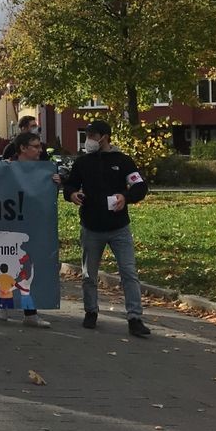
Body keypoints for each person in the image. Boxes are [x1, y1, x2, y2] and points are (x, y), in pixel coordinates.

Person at [62, 120, 151, 337]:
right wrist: (72, 194)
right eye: (87, 135)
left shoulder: (123, 161)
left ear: (104, 137)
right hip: (91, 227)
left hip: (119, 227)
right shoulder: (83, 162)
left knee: (129, 272)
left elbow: (140, 186)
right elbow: (70, 185)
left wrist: (126, 197)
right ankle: (91, 311)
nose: (89, 140)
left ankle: (134, 318)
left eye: (92, 135)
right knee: (88, 275)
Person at [6, 131, 54, 327]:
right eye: (35, 146)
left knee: (27, 268)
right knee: (16, 267)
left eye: (40, 146)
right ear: (23, 149)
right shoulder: (6, 169)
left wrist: (55, 184)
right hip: (11, 227)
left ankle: (23, 310)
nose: (40, 150)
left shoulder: (42, 171)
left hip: (34, 226)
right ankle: (20, 309)